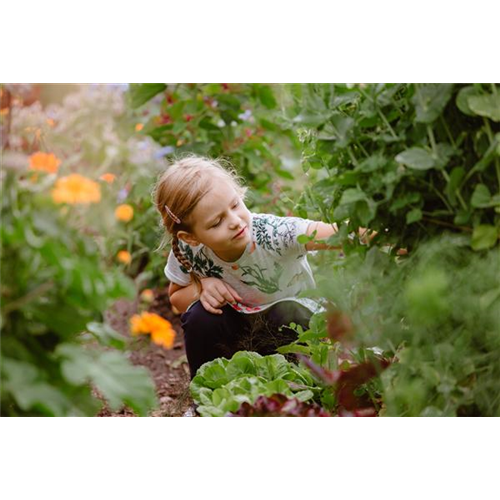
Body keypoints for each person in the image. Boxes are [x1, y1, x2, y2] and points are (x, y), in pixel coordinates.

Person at [153, 154, 366, 381]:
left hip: (291, 332)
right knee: (200, 317)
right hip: (238, 340)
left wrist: (391, 237)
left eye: (235, 205)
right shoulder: (188, 249)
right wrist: (202, 288)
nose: (235, 220)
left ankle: (304, 383)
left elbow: (338, 234)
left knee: (294, 313)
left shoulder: (272, 234)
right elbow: (176, 298)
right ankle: (207, 391)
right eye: (217, 222)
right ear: (191, 237)